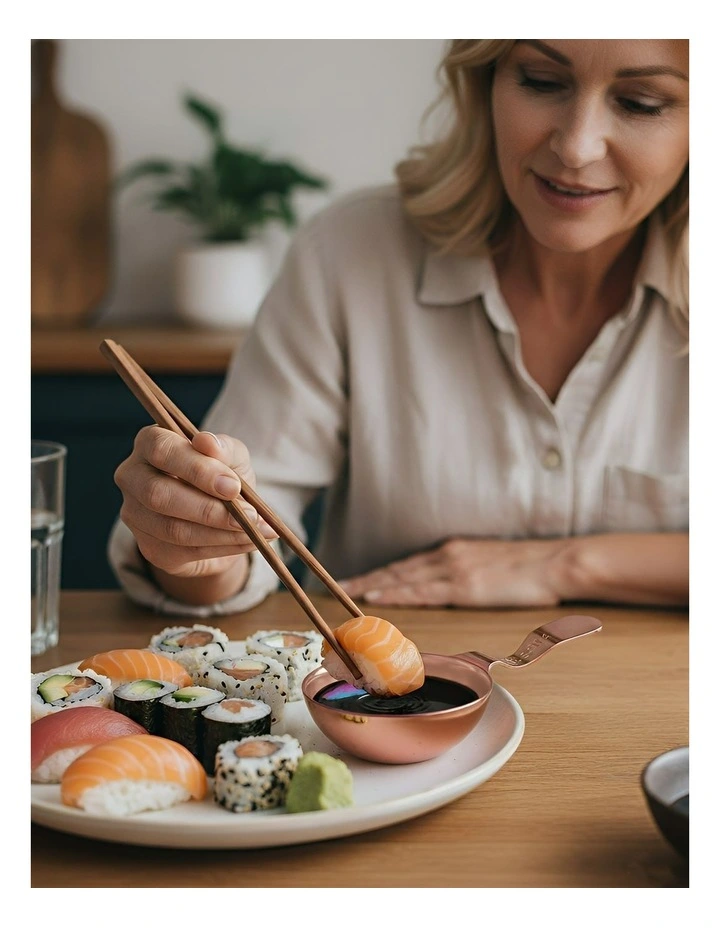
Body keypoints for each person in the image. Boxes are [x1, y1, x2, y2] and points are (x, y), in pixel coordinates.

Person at [109, 39, 689, 617]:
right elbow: (240, 541)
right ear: (485, 81)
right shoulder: (349, 253)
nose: (576, 147)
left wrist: (564, 564)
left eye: (642, 103)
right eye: (540, 81)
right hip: (380, 700)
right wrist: (195, 546)